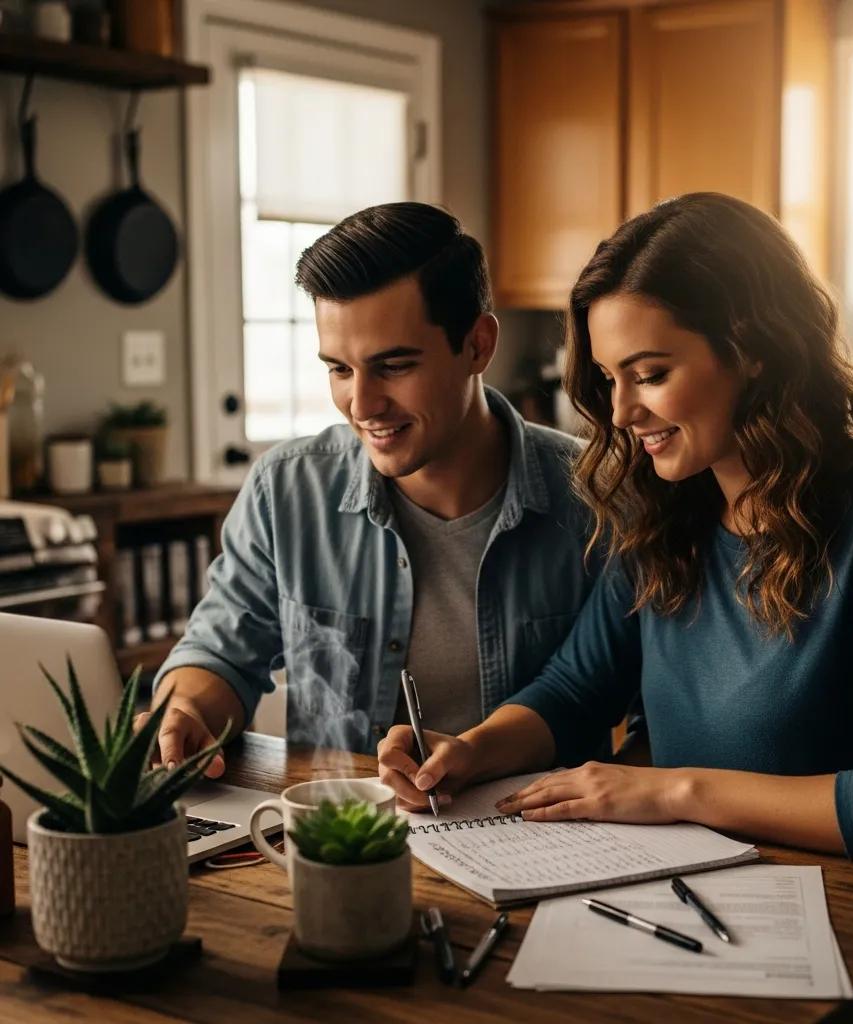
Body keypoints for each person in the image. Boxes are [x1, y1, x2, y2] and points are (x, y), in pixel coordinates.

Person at [379, 193, 853, 1021]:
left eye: (651, 374)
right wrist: (472, 750)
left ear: (750, 349)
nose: (621, 412)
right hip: (708, 942)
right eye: (609, 379)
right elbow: (574, 690)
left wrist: (673, 792)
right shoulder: (665, 514)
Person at [138, 202, 596, 774]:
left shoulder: (596, 499)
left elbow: (635, 707)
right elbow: (221, 653)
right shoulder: (287, 490)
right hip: (345, 833)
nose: (363, 404)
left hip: (546, 846)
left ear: (478, 345)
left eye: (394, 366)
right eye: (339, 369)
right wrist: (185, 710)